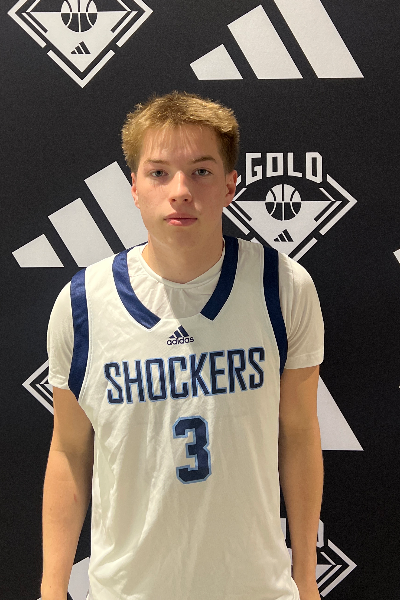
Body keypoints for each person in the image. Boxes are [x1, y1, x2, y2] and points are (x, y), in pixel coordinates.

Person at [42, 91, 324, 600]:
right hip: (127, 591)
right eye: (159, 173)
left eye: (200, 171)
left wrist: (306, 580)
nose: (180, 191)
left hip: (254, 589)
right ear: (133, 187)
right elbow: (68, 450)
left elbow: (300, 437)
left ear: (230, 185)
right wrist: (50, 590)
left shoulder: (283, 287)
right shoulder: (83, 304)